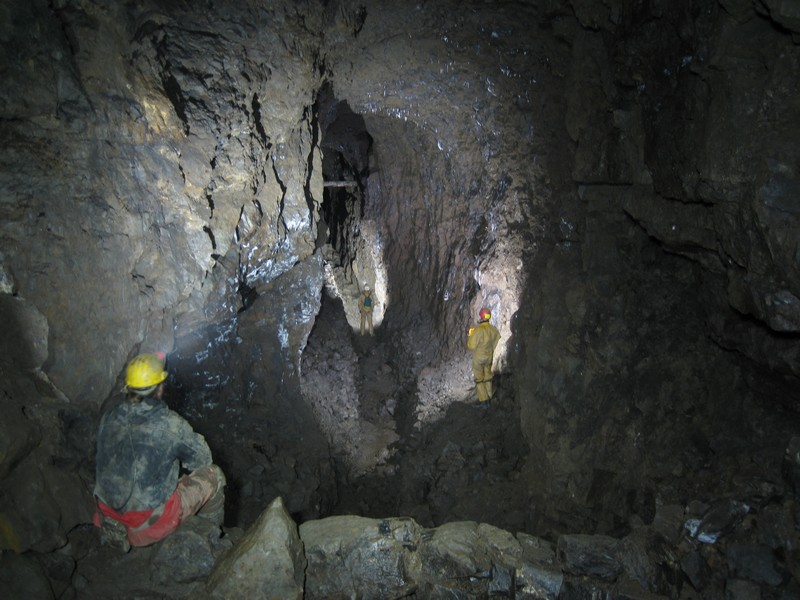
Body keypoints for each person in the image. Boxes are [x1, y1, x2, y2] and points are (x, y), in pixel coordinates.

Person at [93, 352, 226, 551]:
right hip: (148, 525)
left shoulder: (109, 415)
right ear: (160, 387)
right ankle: (209, 536)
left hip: (105, 514)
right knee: (214, 475)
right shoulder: (170, 424)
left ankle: (117, 528)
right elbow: (203, 459)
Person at [467, 307, 501, 405]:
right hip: (489, 357)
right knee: (488, 378)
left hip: (479, 358)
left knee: (479, 380)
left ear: (481, 317)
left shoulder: (478, 330)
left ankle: (484, 401)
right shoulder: (494, 330)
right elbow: (496, 341)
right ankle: (490, 398)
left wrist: (471, 335)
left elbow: (471, 345)